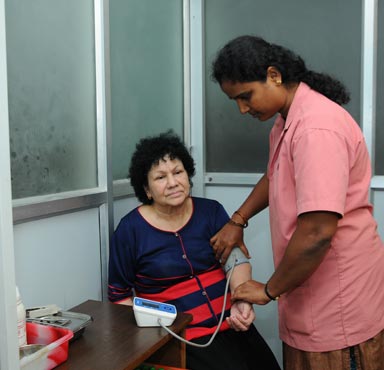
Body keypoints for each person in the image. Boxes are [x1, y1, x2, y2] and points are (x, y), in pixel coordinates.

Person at [209, 34, 384, 370]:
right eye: (236, 101)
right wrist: (237, 220)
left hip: (339, 301)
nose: (243, 109)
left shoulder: (316, 128)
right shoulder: (287, 118)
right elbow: (275, 174)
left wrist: (268, 290)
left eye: (246, 96)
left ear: (274, 75)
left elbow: (317, 231)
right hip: (311, 294)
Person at [108, 131, 281, 370]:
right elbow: (119, 296)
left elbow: (236, 260)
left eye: (178, 172)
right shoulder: (130, 230)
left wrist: (242, 299)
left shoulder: (211, 212)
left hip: (231, 322)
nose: (172, 182)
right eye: (160, 177)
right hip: (181, 338)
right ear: (146, 189)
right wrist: (153, 339)